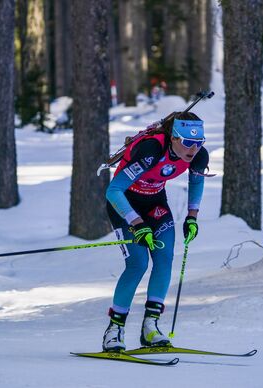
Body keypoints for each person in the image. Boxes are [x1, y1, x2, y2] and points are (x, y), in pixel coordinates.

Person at [103, 111, 209, 351]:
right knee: (138, 264)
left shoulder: (198, 156)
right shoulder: (151, 150)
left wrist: (192, 218)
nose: (193, 149)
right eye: (187, 142)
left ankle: (150, 327)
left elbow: (196, 183)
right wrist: (136, 223)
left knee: (164, 260)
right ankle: (114, 329)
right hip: (124, 206)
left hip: (155, 204)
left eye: (198, 142)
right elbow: (113, 191)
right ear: (173, 138)